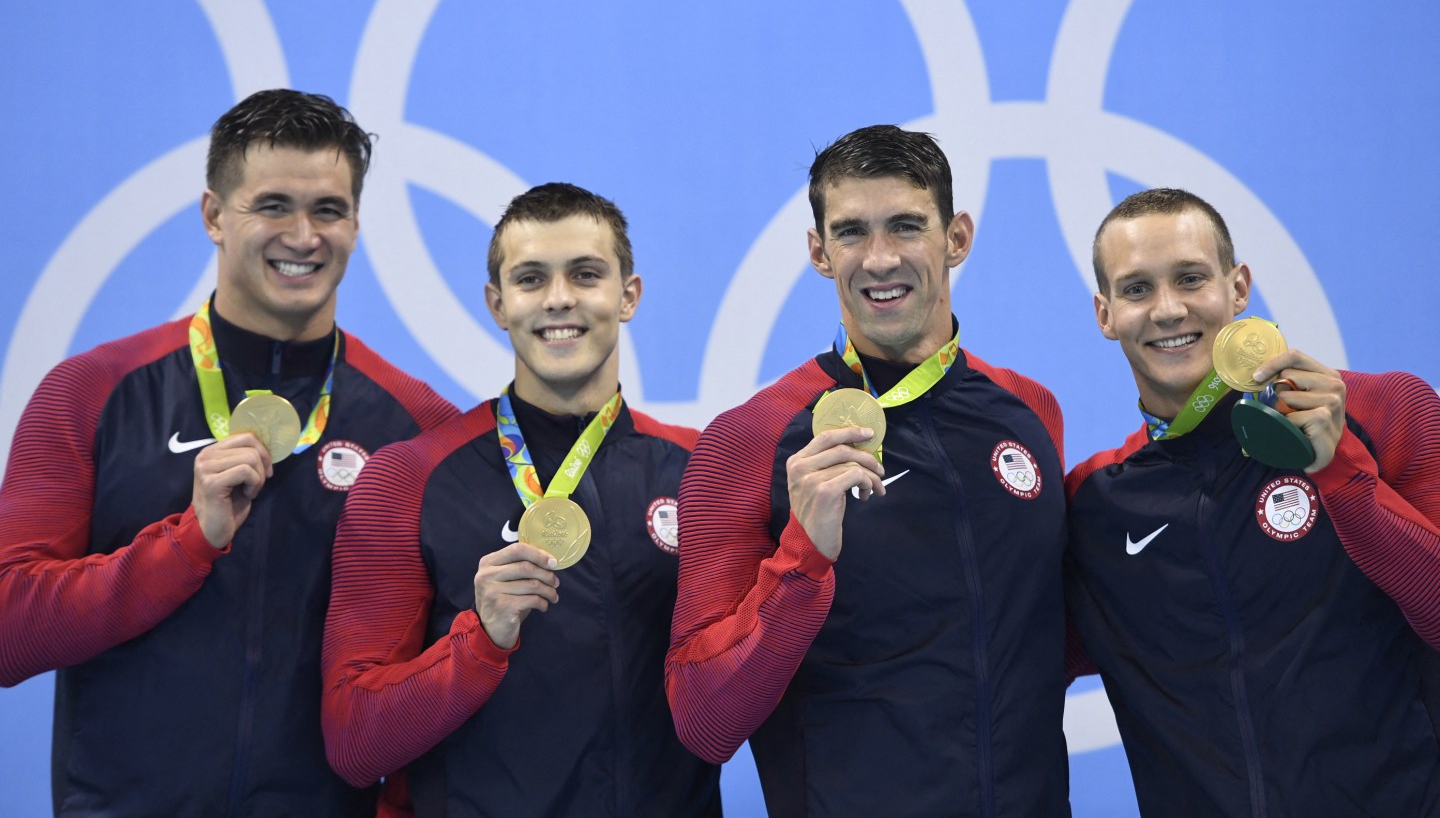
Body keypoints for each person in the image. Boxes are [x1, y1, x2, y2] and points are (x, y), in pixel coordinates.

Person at [0, 89, 458, 817]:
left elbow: (431, 681)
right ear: (214, 215)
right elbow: (10, 630)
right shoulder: (91, 392)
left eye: (328, 210)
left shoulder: (419, 429)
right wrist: (187, 545)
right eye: (273, 206)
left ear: (356, 223)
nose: (303, 236)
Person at [666, 125, 1070, 817]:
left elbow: (1049, 631)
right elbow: (703, 721)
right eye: (852, 233)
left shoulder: (1029, 410)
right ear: (819, 252)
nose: (880, 259)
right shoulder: (750, 441)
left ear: (957, 238)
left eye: (906, 226)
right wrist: (803, 560)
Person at [321, 182, 721, 817]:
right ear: (497, 304)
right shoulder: (408, 479)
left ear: (628, 296)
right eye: (531, 279)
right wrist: (479, 642)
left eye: (585, 274)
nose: (559, 298)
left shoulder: (701, 471)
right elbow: (354, 742)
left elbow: (738, 697)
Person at [1066, 187, 1440, 816]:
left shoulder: (1384, 411)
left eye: (1191, 278)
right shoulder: (1095, 503)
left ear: (1238, 288)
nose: (1168, 310)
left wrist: (1340, 472)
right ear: (1105, 314)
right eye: (1137, 289)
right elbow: (996, 661)